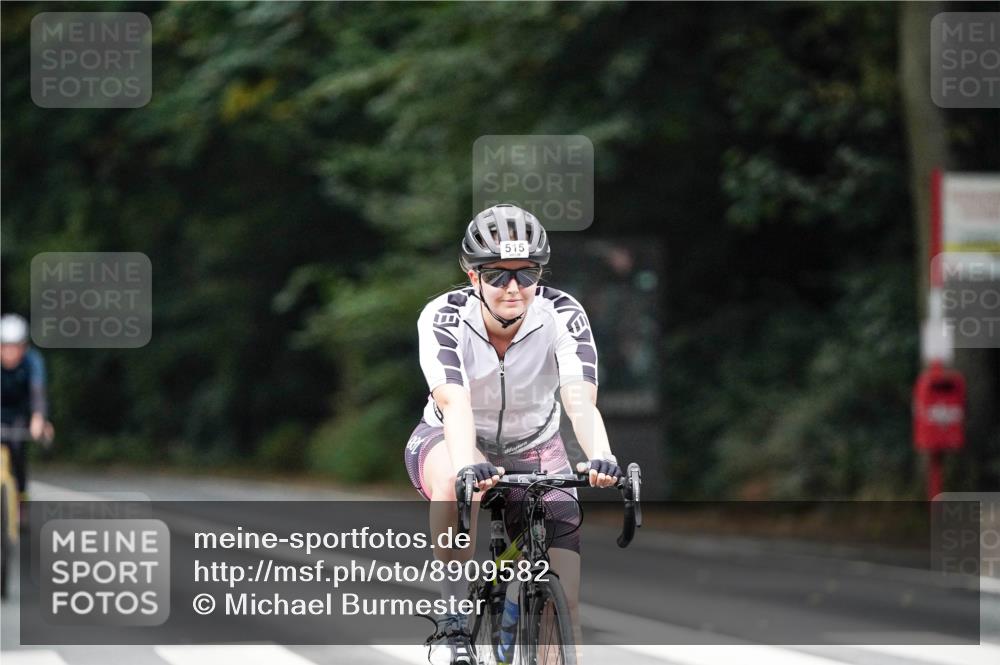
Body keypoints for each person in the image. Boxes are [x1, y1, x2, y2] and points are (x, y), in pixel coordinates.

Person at [404, 204, 622, 664]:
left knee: (569, 598)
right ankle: (453, 617)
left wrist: (601, 455)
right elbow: (453, 401)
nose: (513, 288)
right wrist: (468, 463)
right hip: (451, 437)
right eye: (497, 275)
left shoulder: (562, 313)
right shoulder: (443, 317)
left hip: (536, 447)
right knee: (454, 483)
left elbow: (579, 399)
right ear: (472, 276)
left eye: (527, 274)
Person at [1, 314, 53, 508]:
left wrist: (39, 418)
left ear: (24, 347)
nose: (9, 353)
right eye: (4, 347)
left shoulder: (33, 361)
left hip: (20, 413)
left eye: (14, 347)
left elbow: (37, 391)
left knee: (17, 449)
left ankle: (21, 497)